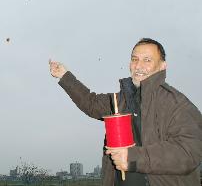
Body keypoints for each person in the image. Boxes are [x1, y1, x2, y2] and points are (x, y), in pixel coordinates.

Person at [49, 38, 202, 186]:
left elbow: (189, 152)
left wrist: (133, 158)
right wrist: (64, 75)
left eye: (147, 60)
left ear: (162, 66)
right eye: (135, 59)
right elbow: (91, 103)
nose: (138, 65)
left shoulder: (177, 104)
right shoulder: (120, 100)